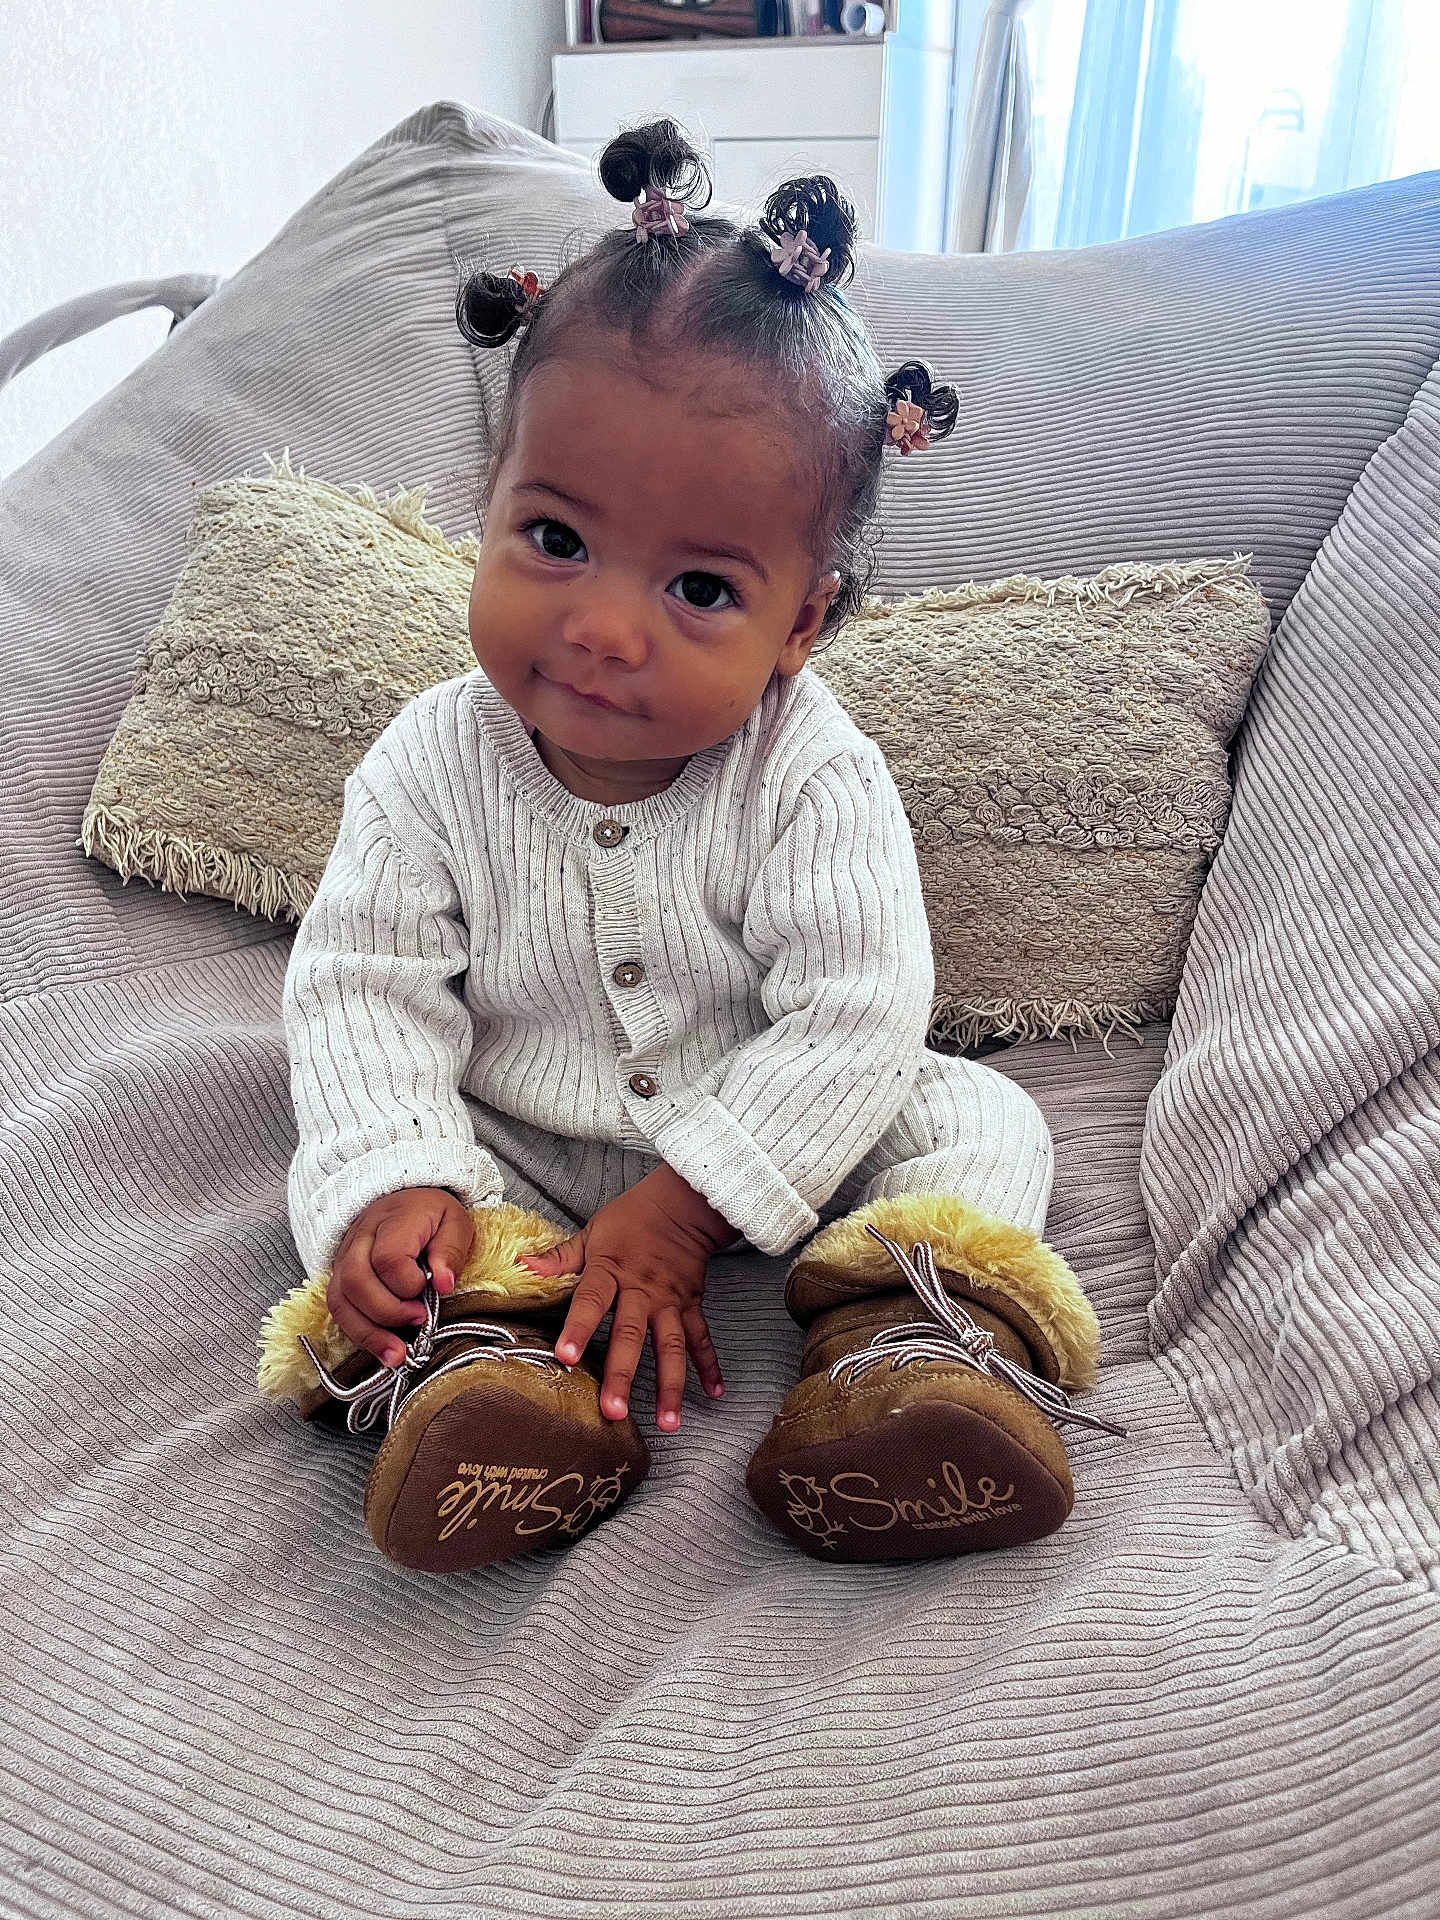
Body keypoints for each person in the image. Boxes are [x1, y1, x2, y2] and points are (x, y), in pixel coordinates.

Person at [256, 119, 1117, 1573]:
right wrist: (393, 1174)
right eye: (555, 540)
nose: (603, 625)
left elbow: (856, 1007)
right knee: (388, 1226)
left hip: (780, 1133)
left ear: (804, 626)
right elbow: (362, 985)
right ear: (488, 504)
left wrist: (692, 1205)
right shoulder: (426, 760)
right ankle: (487, 1379)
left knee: (975, 1122)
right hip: (521, 1141)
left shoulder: (810, 771)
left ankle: (906, 1351)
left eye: (703, 586)